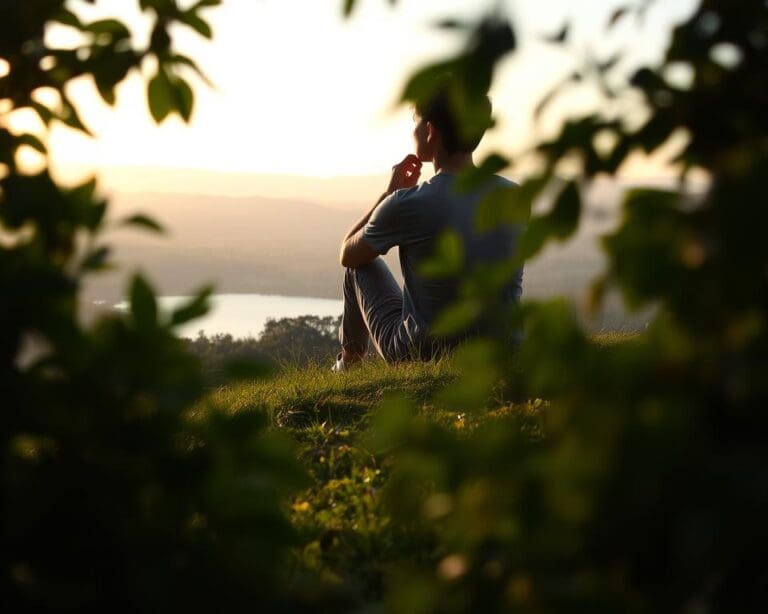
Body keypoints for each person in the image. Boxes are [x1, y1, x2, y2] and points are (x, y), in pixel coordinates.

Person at [333, 83, 524, 371]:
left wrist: (386, 196)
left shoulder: (407, 202)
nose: (413, 129)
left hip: (422, 354)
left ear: (431, 131)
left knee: (359, 269)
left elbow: (348, 253)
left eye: (415, 121)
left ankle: (349, 365)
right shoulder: (515, 197)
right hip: (504, 348)